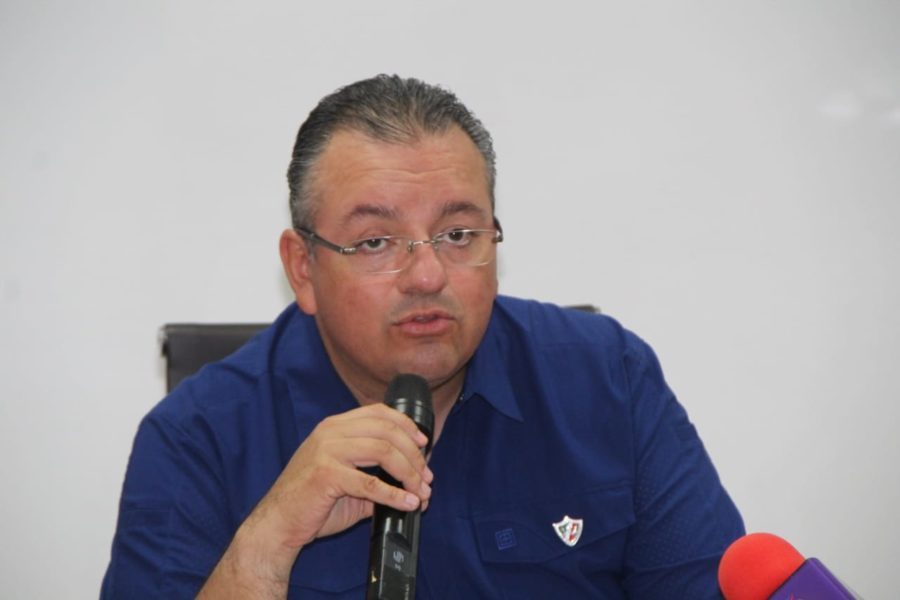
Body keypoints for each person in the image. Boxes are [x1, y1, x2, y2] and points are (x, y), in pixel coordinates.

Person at [102, 74, 744, 598]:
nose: (429, 275)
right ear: (303, 268)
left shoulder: (608, 378)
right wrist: (267, 543)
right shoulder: (197, 436)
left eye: (458, 235)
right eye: (376, 242)